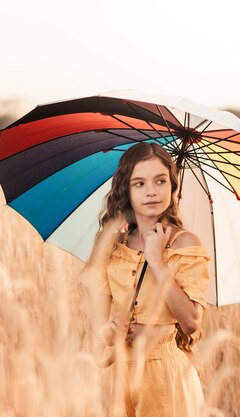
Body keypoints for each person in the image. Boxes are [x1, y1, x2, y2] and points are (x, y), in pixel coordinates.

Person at [86, 142, 210, 417]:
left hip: (165, 375)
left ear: (173, 188)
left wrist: (156, 261)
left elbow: (191, 322)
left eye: (160, 181)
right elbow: (98, 326)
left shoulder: (183, 244)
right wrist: (111, 330)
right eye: (139, 183)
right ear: (126, 191)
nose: (152, 191)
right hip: (121, 376)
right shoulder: (111, 247)